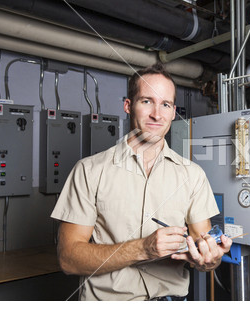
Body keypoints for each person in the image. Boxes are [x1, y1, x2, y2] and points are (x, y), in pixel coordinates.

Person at [51, 63, 232, 301]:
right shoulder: (89, 171)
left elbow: (206, 257)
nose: (157, 114)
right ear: (128, 106)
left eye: (165, 104)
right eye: (147, 101)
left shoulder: (192, 175)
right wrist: (143, 249)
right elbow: (68, 259)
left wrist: (210, 259)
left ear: (173, 111)